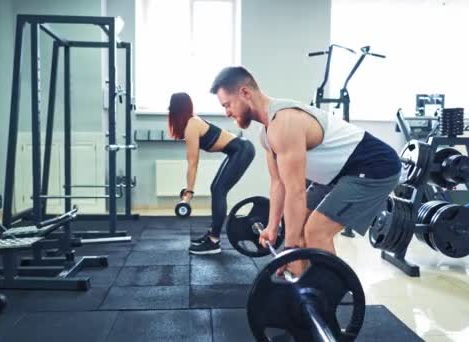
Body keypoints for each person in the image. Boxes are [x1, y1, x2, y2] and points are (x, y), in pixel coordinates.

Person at [209, 67, 401, 274]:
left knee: (316, 231)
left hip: (374, 166)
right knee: (297, 228)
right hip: (335, 174)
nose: (227, 112)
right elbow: (278, 183)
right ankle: (303, 287)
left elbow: (296, 191)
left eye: (227, 105)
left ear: (245, 93)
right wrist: (272, 227)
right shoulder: (267, 133)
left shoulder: (285, 122)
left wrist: (289, 250)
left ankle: (329, 296)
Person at [168, 92, 255, 255]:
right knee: (216, 189)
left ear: (176, 109)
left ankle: (214, 241)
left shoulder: (192, 124)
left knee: (219, 190)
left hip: (242, 150)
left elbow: (193, 163)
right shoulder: (191, 122)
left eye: (171, 108)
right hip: (237, 151)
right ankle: (212, 235)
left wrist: (189, 193)